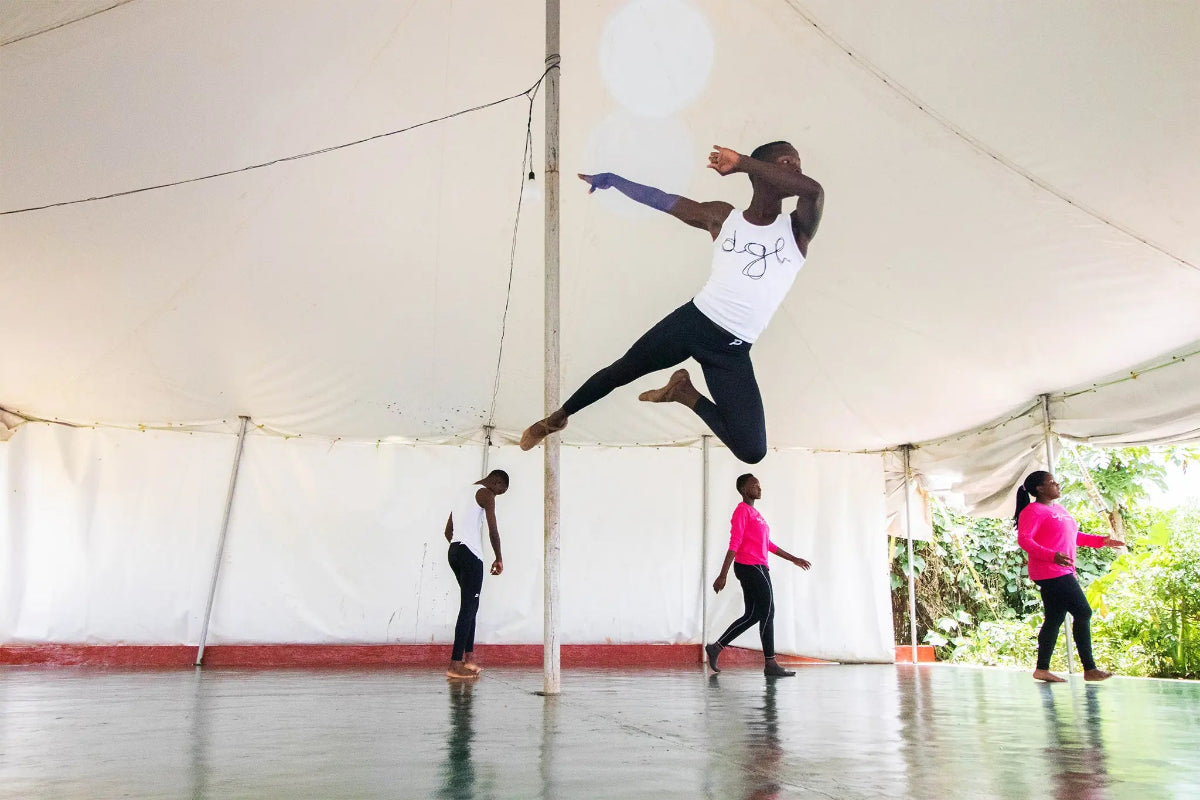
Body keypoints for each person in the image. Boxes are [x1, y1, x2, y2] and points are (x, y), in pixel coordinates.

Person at [519, 142, 824, 464]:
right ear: (764, 171)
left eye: (799, 163)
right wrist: (615, 180)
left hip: (732, 351)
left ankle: (683, 393)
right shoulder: (723, 217)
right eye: (787, 161)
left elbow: (814, 191)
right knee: (621, 371)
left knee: (752, 451)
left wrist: (743, 163)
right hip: (693, 323)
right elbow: (662, 200)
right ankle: (556, 418)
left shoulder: (797, 229)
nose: (796, 169)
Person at [1014, 470, 1124, 683]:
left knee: (1054, 618)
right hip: (1050, 572)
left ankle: (1042, 669)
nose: (1057, 485)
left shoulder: (1060, 509)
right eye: (1051, 482)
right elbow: (1024, 540)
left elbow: (1073, 536)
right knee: (1083, 611)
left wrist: (1101, 541)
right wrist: (1052, 556)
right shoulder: (1032, 511)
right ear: (1040, 488)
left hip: (1063, 570)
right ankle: (1090, 669)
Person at [705, 474, 812, 677]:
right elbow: (734, 543)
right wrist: (722, 575)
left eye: (759, 484)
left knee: (753, 614)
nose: (759, 487)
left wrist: (793, 558)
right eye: (754, 485)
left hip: (758, 566)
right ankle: (770, 663)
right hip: (750, 566)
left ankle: (716, 647)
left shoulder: (755, 514)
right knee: (768, 611)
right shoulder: (742, 511)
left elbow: (768, 544)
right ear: (744, 490)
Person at [444, 469, 508, 679]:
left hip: (454, 551)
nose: (497, 496)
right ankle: (455, 664)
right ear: (496, 482)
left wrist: (460, 549)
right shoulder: (486, 494)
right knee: (468, 607)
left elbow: (448, 531)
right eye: (501, 492)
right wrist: (499, 557)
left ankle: (468, 659)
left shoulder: (463, 492)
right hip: (470, 555)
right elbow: (493, 530)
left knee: (471, 605)